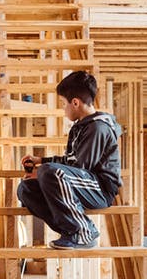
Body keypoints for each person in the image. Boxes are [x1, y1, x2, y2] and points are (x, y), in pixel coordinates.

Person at [17, 70, 122, 249]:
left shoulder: (98, 128)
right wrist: (41, 160)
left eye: (63, 103)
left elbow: (80, 167)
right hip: (82, 183)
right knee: (25, 190)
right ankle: (70, 230)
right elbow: (71, 160)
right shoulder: (81, 127)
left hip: (100, 189)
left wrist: (42, 172)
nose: (63, 108)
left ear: (75, 103)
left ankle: (83, 232)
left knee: (49, 172)